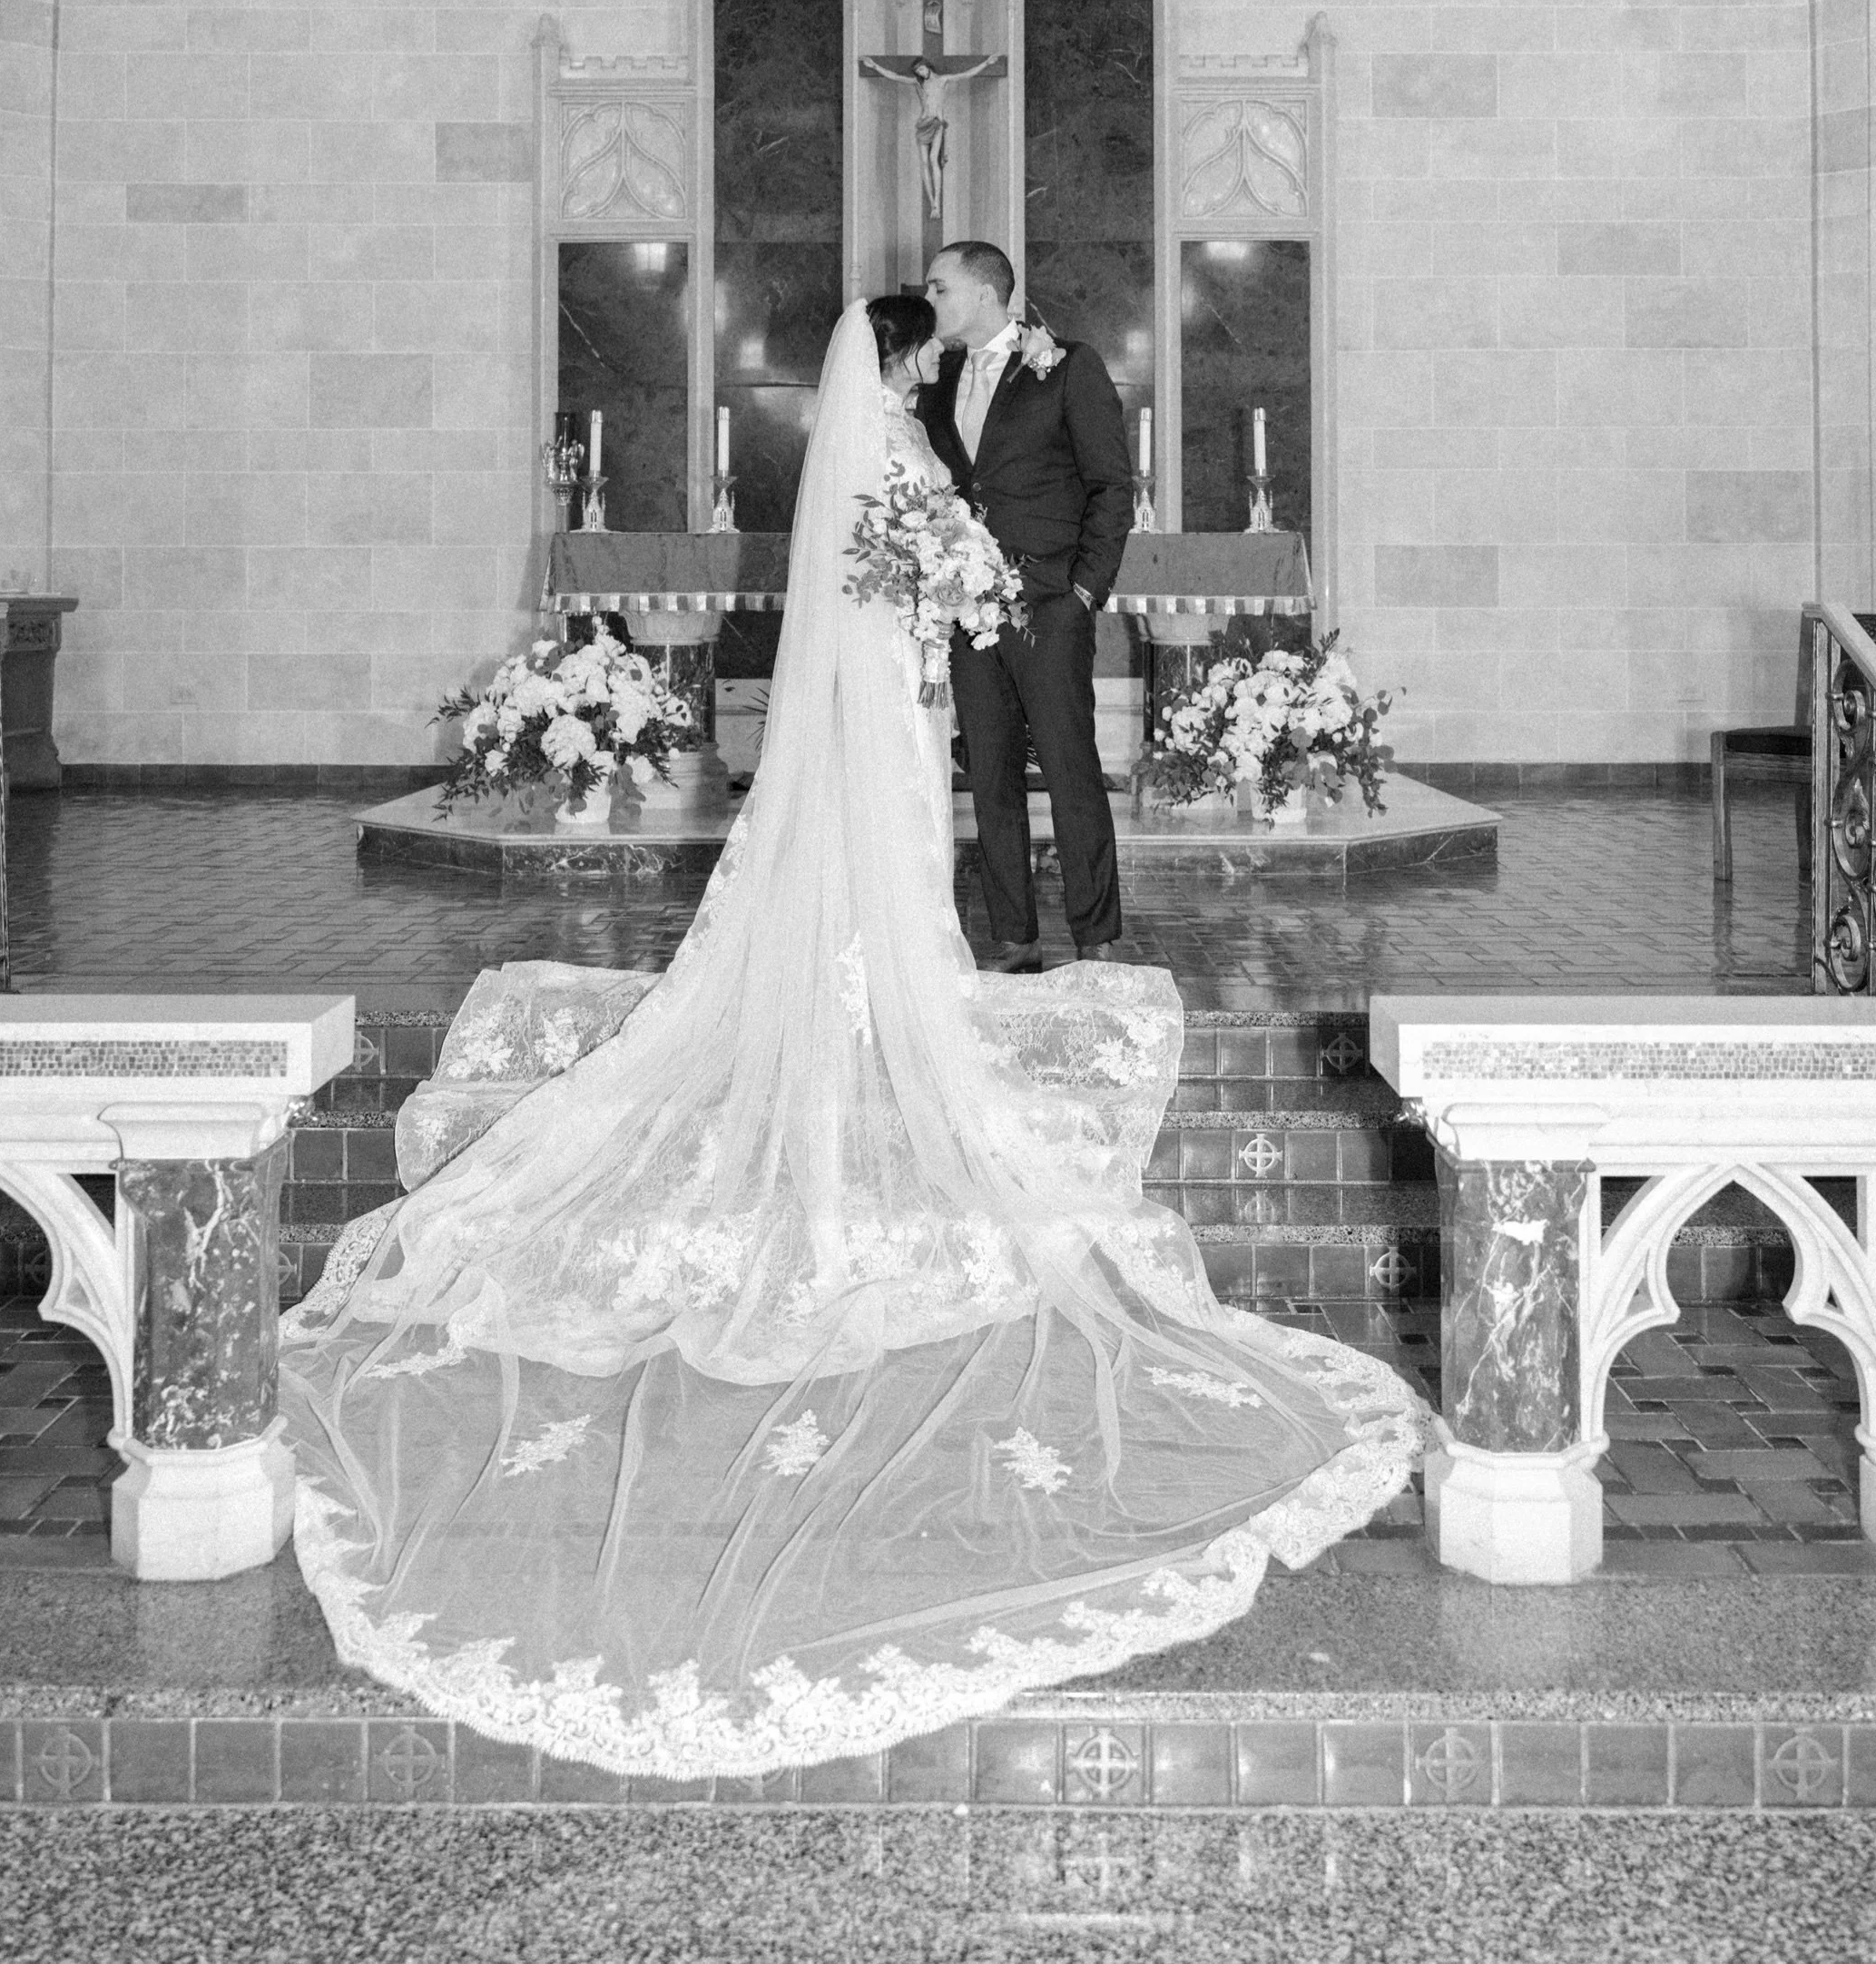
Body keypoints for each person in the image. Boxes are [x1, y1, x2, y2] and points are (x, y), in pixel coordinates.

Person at [278, 299, 1417, 1785]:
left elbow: (904, 548)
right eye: (916, 342)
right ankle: (877, 979)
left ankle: (884, 973)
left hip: (887, 679)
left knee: (896, 848)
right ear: (890, 361)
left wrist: (953, 579)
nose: (929, 356)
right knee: (885, 849)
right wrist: (944, 578)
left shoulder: (881, 434)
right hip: (885, 682)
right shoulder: (891, 436)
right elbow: (902, 552)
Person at [920, 242, 1130, 968]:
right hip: (968, 613)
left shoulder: (1066, 365)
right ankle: (1013, 936)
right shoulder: (936, 376)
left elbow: (1111, 485)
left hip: (1050, 603)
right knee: (990, 776)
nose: (932, 303)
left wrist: (1082, 592)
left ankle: (1096, 936)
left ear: (983, 294)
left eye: (940, 289)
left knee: (1072, 770)